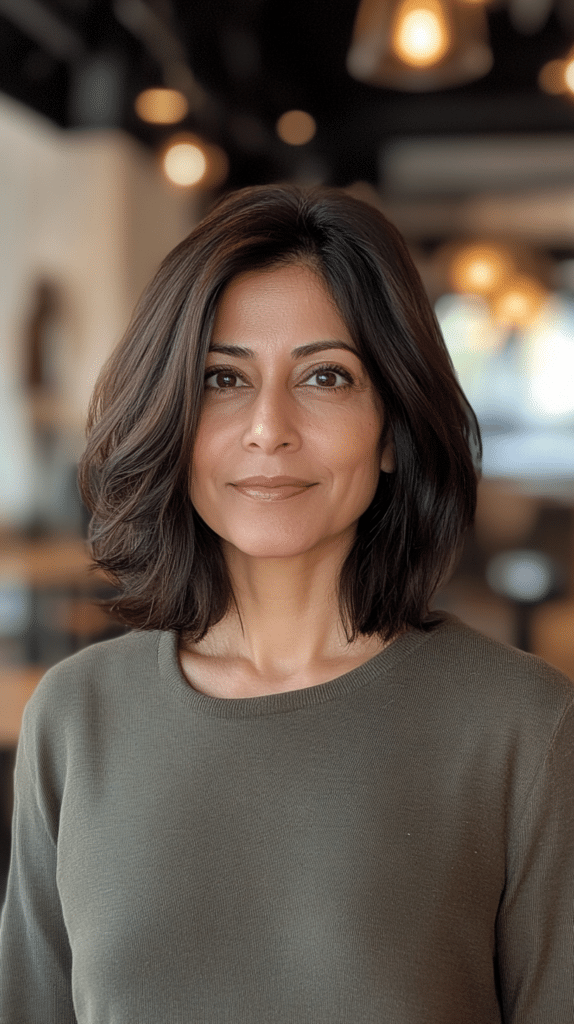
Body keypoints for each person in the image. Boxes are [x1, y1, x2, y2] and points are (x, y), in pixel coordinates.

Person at [1, 184, 573, 1023]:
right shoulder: (77, 717)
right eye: (224, 378)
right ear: (174, 416)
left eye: (327, 376)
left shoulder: (523, 729)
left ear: (392, 430)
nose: (269, 427)